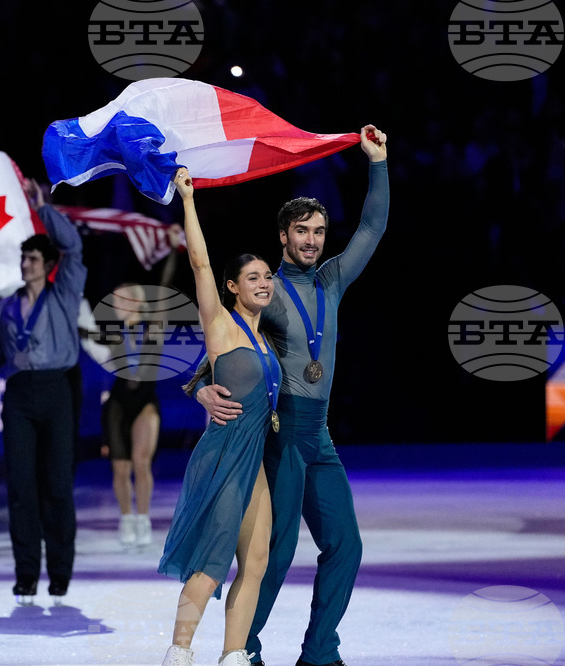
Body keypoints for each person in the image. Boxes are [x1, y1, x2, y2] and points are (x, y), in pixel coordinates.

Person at [194, 125, 389, 666]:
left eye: (319, 232)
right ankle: (244, 650)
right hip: (280, 435)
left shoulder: (332, 281)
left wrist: (377, 163)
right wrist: (202, 387)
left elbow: (372, 226)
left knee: (345, 545)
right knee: (274, 552)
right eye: (302, 231)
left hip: (318, 435)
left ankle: (320, 652)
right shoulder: (267, 289)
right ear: (283, 236)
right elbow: (224, 342)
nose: (312, 240)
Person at [0, 179, 87, 604]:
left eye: (33, 258)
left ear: (47, 265)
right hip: (20, 394)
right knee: (21, 487)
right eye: (23, 258)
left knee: (57, 485)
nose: (25, 264)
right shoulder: (5, 308)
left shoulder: (65, 293)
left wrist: (42, 210)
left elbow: (73, 246)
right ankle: (26, 574)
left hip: (58, 389)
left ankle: (59, 573)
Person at [158, 168, 278, 666]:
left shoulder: (267, 338)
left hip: (255, 458)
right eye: (253, 277)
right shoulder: (221, 325)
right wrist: (188, 200)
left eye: (267, 276)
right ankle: (179, 651)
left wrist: (200, 387)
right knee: (212, 558)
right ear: (232, 286)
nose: (264, 283)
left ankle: (233, 655)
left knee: (256, 562)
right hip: (224, 453)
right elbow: (200, 264)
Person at [100, 224, 182, 549]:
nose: (117, 302)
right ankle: (126, 519)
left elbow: (165, 286)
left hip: (146, 401)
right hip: (118, 401)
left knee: (141, 462)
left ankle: (143, 518)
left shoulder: (154, 325)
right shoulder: (111, 331)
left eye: (123, 297)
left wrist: (173, 249)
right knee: (120, 468)